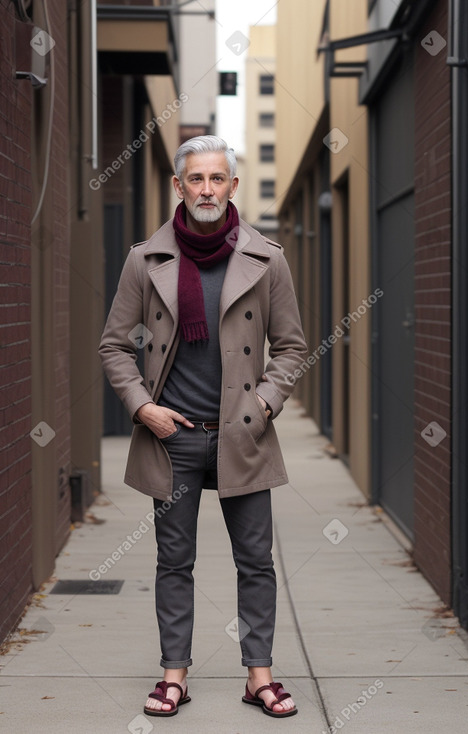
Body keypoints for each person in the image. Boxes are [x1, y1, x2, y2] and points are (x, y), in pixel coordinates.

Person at [99, 135, 307, 719]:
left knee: (256, 560)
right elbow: (115, 346)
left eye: (218, 179)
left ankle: (258, 676)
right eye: (197, 180)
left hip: (243, 433)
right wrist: (143, 408)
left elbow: (291, 347)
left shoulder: (268, 258)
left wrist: (263, 404)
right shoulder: (147, 259)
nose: (207, 190)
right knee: (174, 560)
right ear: (179, 186)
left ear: (233, 186)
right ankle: (174, 676)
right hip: (175, 438)